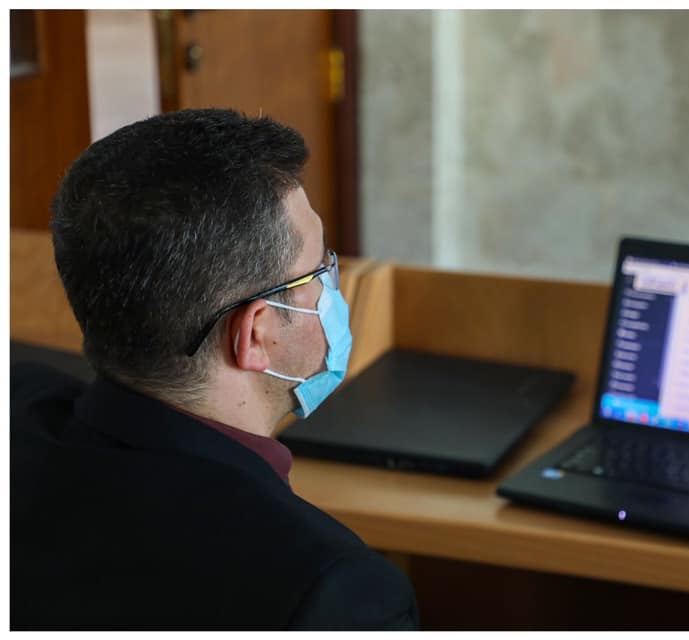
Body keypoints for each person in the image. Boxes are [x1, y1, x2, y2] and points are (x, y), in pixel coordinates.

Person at [11, 109, 419, 630]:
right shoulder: (331, 591)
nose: (331, 289)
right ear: (255, 335)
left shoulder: (17, 406)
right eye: (320, 270)